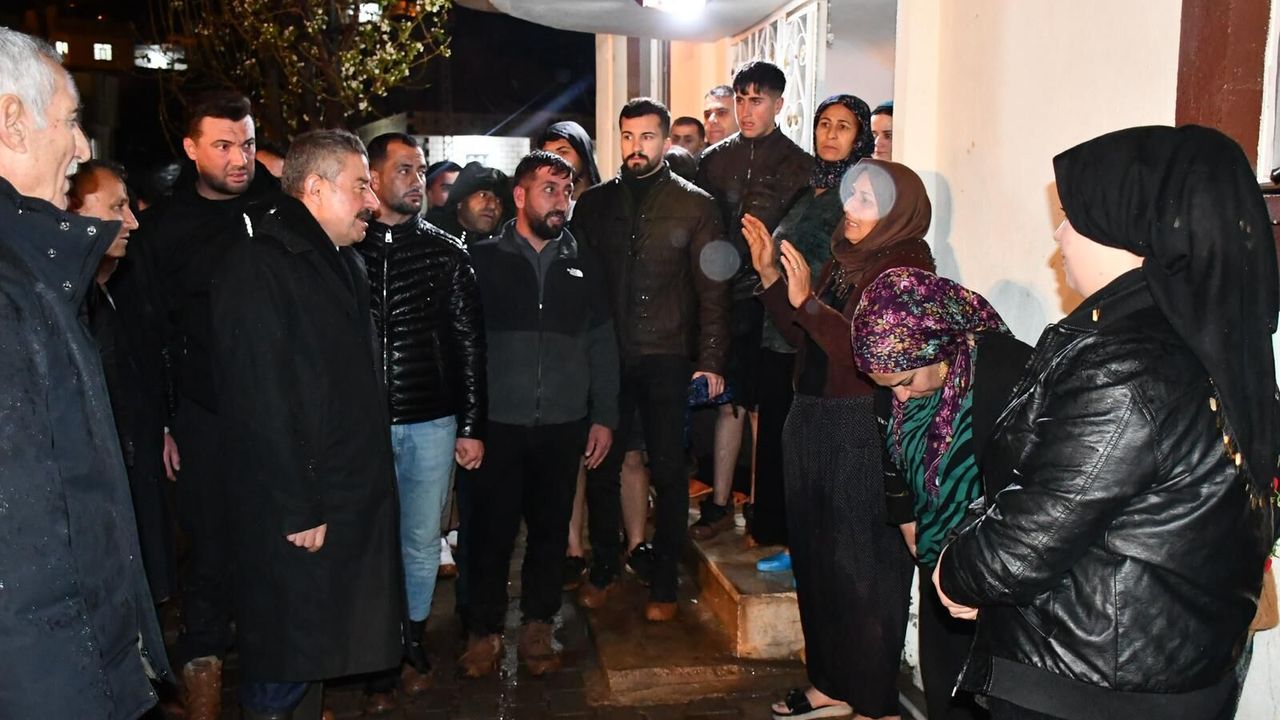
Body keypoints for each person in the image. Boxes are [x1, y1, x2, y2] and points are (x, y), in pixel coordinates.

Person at [933, 126, 1280, 720]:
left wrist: (956, 571)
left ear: (1128, 233)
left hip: (1089, 682)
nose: (1059, 235)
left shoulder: (1128, 363)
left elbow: (1025, 542)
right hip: (1183, 667)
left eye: (1072, 217)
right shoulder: (1219, 336)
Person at [0, 27, 170, 719]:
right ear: (12, 121)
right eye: (71, 121)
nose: (81, 148)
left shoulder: (31, 269)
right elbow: (23, 549)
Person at [210, 129, 403, 720]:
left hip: (340, 495)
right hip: (297, 505)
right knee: (287, 657)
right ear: (315, 189)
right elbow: (259, 399)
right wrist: (297, 505)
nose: (371, 201)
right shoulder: (259, 265)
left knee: (316, 650)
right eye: (360, 186)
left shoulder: (342, 263)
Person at [744, 159, 935, 719]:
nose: (851, 209)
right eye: (852, 196)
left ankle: (874, 701)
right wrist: (772, 279)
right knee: (817, 563)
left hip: (859, 425)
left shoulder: (906, 270)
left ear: (899, 211)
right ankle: (831, 683)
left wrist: (808, 302)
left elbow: (869, 357)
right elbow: (803, 334)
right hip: (813, 418)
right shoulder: (845, 260)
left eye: (867, 201)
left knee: (862, 569)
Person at [122, 90, 280, 719]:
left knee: (279, 544)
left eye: (247, 143)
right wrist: (164, 420)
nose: (239, 157)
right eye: (223, 145)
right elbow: (148, 332)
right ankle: (204, 667)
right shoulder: (162, 229)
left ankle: (288, 676)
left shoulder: (281, 208)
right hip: (203, 412)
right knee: (211, 545)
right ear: (191, 149)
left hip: (277, 410)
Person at [460, 150, 619, 677]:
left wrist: (604, 416)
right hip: (498, 425)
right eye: (549, 189)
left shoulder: (585, 264)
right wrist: (469, 422)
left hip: (562, 423)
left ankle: (537, 626)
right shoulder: (481, 260)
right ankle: (484, 631)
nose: (561, 201)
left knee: (550, 533)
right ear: (520, 195)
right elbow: (464, 346)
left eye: (567, 191)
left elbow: (602, 344)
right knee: (491, 535)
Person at [574, 97, 730, 621]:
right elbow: (581, 287)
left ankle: (664, 581)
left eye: (646, 137)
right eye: (627, 136)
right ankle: (604, 568)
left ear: (665, 141)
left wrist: (711, 359)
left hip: (668, 354)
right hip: (608, 355)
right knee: (602, 466)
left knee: (668, 469)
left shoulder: (696, 204)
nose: (635, 147)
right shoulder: (594, 205)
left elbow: (713, 291)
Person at [853, 268, 1033, 720]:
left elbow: (1032, 489)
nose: (900, 397)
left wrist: (982, 570)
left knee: (989, 696)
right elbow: (891, 454)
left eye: (906, 381)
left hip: (995, 568)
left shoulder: (1005, 373)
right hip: (935, 556)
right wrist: (906, 519)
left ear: (938, 347)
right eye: (886, 387)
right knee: (944, 690)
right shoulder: (895, 375)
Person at [357, 132, 486, 713]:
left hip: (432, 422)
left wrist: (472, 425)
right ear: (373, 176)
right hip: (362, 425)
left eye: (421, 169)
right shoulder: (346, 246)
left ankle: (410, 642)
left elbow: (469, 344)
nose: (417, 180)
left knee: (420, 540)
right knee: (369, 540)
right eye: (405, 169)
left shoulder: (446, 251)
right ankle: (373, 653)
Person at [730, 94, 874, 555]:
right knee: (775, 437)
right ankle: (776, 533)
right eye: (824, 124)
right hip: (779, 325)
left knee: (804, 447)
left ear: (861, 136)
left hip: (818, 332)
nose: (830, 134)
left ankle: (799, 541)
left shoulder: (857, 200)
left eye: (843, 126)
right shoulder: (807, 187)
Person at [693, 61, 813, 539]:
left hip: (774, 297)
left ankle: (764, 507)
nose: (746, 110)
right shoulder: (713, 160)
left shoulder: (799, 164)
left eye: (756, 100)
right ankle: (720, 503)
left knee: (766, 404)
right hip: (722, 296)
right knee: (727, 401)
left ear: (778, 104)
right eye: (741, 99)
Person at [71, 160, 178, 607]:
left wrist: (163, 426)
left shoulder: (122, 284)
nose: (132, 221)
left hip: (138, 467)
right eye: (117, 207)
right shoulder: (63, 305)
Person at [425, 160, 508, 243]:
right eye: (483, 195)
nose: (493, 206)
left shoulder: (504, 243)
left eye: (498, 201)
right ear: (460, 200)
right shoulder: (432, 239)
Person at [539, 120, 602, 202]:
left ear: (583, 154)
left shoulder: (610, 203)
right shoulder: (541, 205)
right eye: (548, 154)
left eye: (562, 152)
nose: (553, 160)